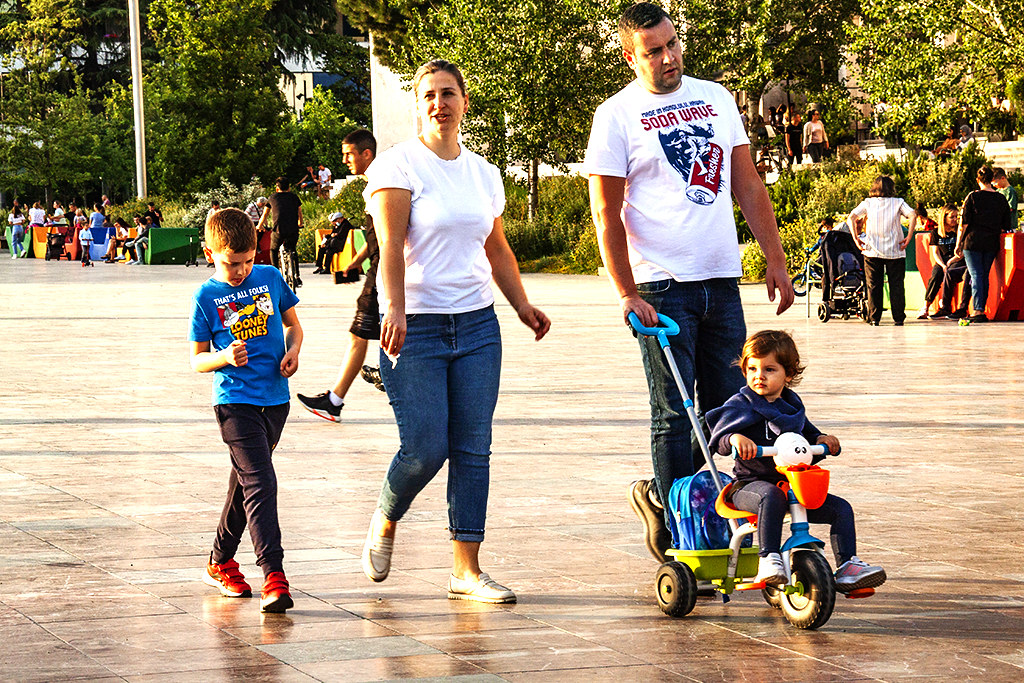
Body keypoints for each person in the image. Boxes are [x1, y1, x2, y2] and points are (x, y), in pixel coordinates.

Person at [583, 2, 793, 564]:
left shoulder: (716, 97)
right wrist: (625, 292)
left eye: (673, 44)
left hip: (721, 279)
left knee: (735, 407)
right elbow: (606, 212)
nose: (669, 57)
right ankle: (680, 529)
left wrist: (774, 257)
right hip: (660, 287)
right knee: (676, 412)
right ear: (630, 56)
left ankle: (741, 518)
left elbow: (747, 183)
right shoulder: (616, 116)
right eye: (653, 51)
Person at [360, 60, 550, 604]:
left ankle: (465, 569)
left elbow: (497, 250)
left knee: (473, 446)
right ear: (417, 106)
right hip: (414, 326)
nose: (439, 104)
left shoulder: (484, 174)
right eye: (428, 96)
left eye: (448, 94)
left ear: (465, 102)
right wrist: (393, 309)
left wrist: (521, 304)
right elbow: (390, 247)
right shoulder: (398, 167)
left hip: (476, 326)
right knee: (424, 446)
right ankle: (386, 514)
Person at [706, 330, 887, 593]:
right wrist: (735, 439)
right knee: (771, 495)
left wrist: (823, 440)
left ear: (788, 375)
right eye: (752, 368)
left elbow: (807, 434)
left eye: (769, 369)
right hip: (748, 487)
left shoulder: (791, 406)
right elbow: (720, 436)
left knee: (841, 508)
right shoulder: (741, 404)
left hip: (793, 487)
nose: (759, 376)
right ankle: (768, 558)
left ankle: (848, 566)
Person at [188, 207, 302, 613]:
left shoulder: (270, 278)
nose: (241, 270)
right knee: (261, 481)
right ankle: (274, 575)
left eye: (248, 261)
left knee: (246, 481)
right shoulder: (205, 297)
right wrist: (222, 357)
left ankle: (219, 562)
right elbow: (197, 360)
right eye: (232, 263)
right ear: (209, 253)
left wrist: (293, 351)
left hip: (276, 400)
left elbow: (293, 325)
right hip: (234, 402)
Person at [298, 128, 388, 421]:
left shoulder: (383, 184)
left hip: (385, 275)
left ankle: (347, 395)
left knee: (369, 333)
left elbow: (391, 236)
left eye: (350, 154)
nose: (345, 160)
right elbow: (375, 234)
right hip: (378, 270)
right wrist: (355, 262)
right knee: (366, 334)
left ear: (367, 153)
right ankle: (338, 397)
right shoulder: (372, 185)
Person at [846, 175, 918, 325]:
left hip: (872, 250)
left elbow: (851, 217)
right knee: (896, 286)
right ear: (891, 189)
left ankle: (874, 318)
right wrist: (909, 235)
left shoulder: (868, 203)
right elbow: (912, 215)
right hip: (895, 250)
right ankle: (898, 318)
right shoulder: (898, 202)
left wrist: (856, 237)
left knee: (873, 286)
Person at [956, 166, 1013, 322]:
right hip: (991, 242)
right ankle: (980, 308)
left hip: (972, 242)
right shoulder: (1001, 199)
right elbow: (1006, 224)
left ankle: (978, 310)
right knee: (983, 275)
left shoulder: (972, 197)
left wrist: (958, 244)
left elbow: (964, 223)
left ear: (978, 180)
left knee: (976, 275)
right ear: (991, 179)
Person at [257, 177, 304, 278]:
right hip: (293, 230)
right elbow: (299, 212)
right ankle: (297, 276)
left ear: (277, 188)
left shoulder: (272, 198)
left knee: (273, 249)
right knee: (293, 249)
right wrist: (300, 223)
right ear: (289, 188)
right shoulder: (294, 197)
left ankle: (276, 274)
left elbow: (265, 215)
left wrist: (259, 226)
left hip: (279, 230)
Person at [918, 204, 954, 319]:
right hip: (942, 260)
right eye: (951, 217)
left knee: (952, 273)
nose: (954, 220)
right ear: (944, 217)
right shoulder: (936, 232)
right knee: (936, 275)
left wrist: (951, 262)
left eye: (956, 217)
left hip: (955, 259)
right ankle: (926, 307)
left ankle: (945, 303)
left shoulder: (958, 230)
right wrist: (943, 264)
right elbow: (935, 253)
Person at [993, 167, 1019, 233]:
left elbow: (1010, 208)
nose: (994, 185)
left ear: (1003, 178)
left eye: (995, 183)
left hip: (1009, 225)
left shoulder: (1010, 191)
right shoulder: (997, 191)